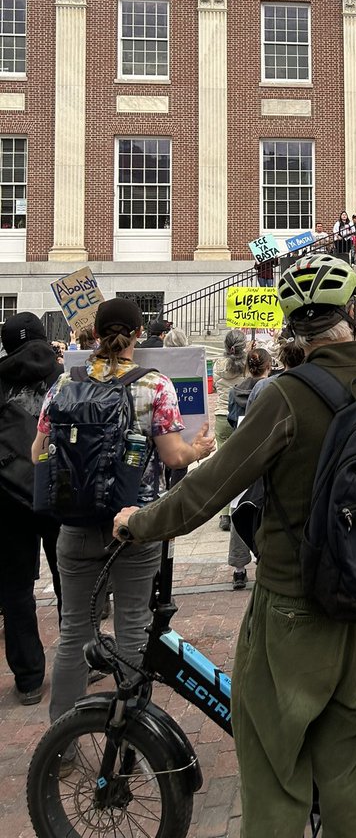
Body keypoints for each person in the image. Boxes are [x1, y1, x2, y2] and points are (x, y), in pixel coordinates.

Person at [113, 254, 356, 837]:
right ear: (353, 312)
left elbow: (208, 488)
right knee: (355, 781)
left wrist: (138, 522)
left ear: (295, 327)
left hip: (295, 611)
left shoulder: (286, 396)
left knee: (277, 775)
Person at [35, 298, 214, 728]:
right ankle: (132, 731)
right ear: (138, 335)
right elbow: (173, 457)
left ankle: (62, 738)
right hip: (134, 524)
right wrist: (199, 449)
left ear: (95, 335)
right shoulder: (155, 386)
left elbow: (38, 451)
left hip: (75, 525)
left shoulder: (64, 384)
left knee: (74, 632)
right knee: (134, 626)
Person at [0, 313, 63, 705]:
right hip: (59, 489)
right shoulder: (65, 375)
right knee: (69, 578)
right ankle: (79, 659)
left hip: (7, 495)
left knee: (15, 588)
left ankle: (28, 679)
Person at [226, 348, 273, 589]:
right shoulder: (272, 389)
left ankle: (238, 568)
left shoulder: (235, 391)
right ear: (269, 366)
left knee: (239, 507)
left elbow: (231, 420)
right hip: (264, 450)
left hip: (241, 453)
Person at [212, 330, 248, 530]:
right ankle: (240, 506)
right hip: (242, 416)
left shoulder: (218, 364)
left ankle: (224, 513)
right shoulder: (248, 365)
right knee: (243, 464)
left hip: (221, 415)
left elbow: (216, 388)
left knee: (224, 466)